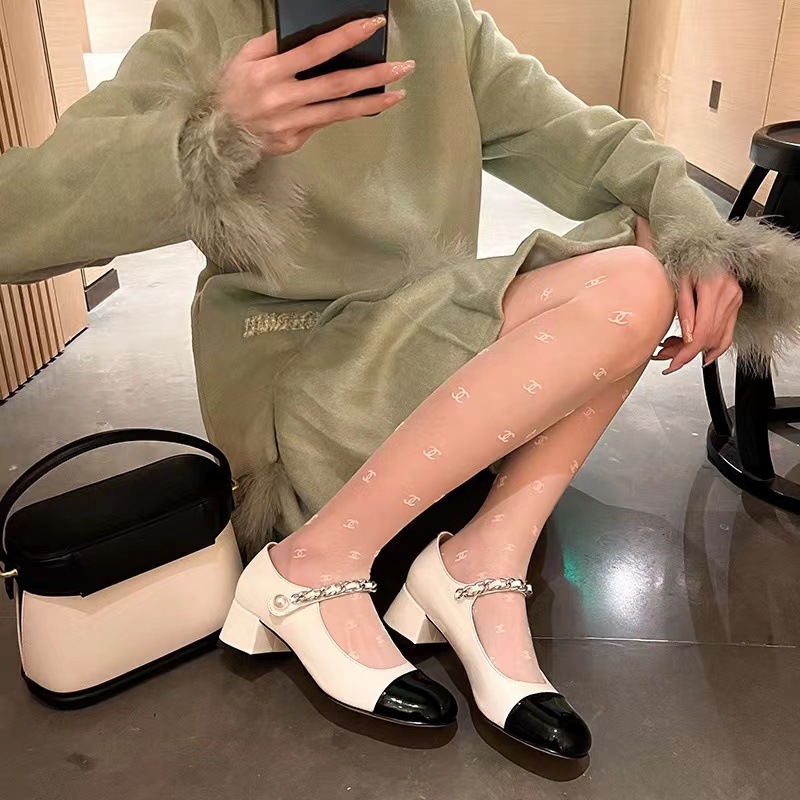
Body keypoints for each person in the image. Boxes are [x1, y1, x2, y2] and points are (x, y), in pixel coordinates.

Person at [3, 0, 800, 759]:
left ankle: (482, 559)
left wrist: (696, 233)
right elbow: (22, 215)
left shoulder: (439, 20)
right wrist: (211, 134)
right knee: (629, 281)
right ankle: (313, 565)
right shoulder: (216, 17)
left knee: (645, 262)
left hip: (420, 338)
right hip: (294, 369)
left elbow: (592, 144)